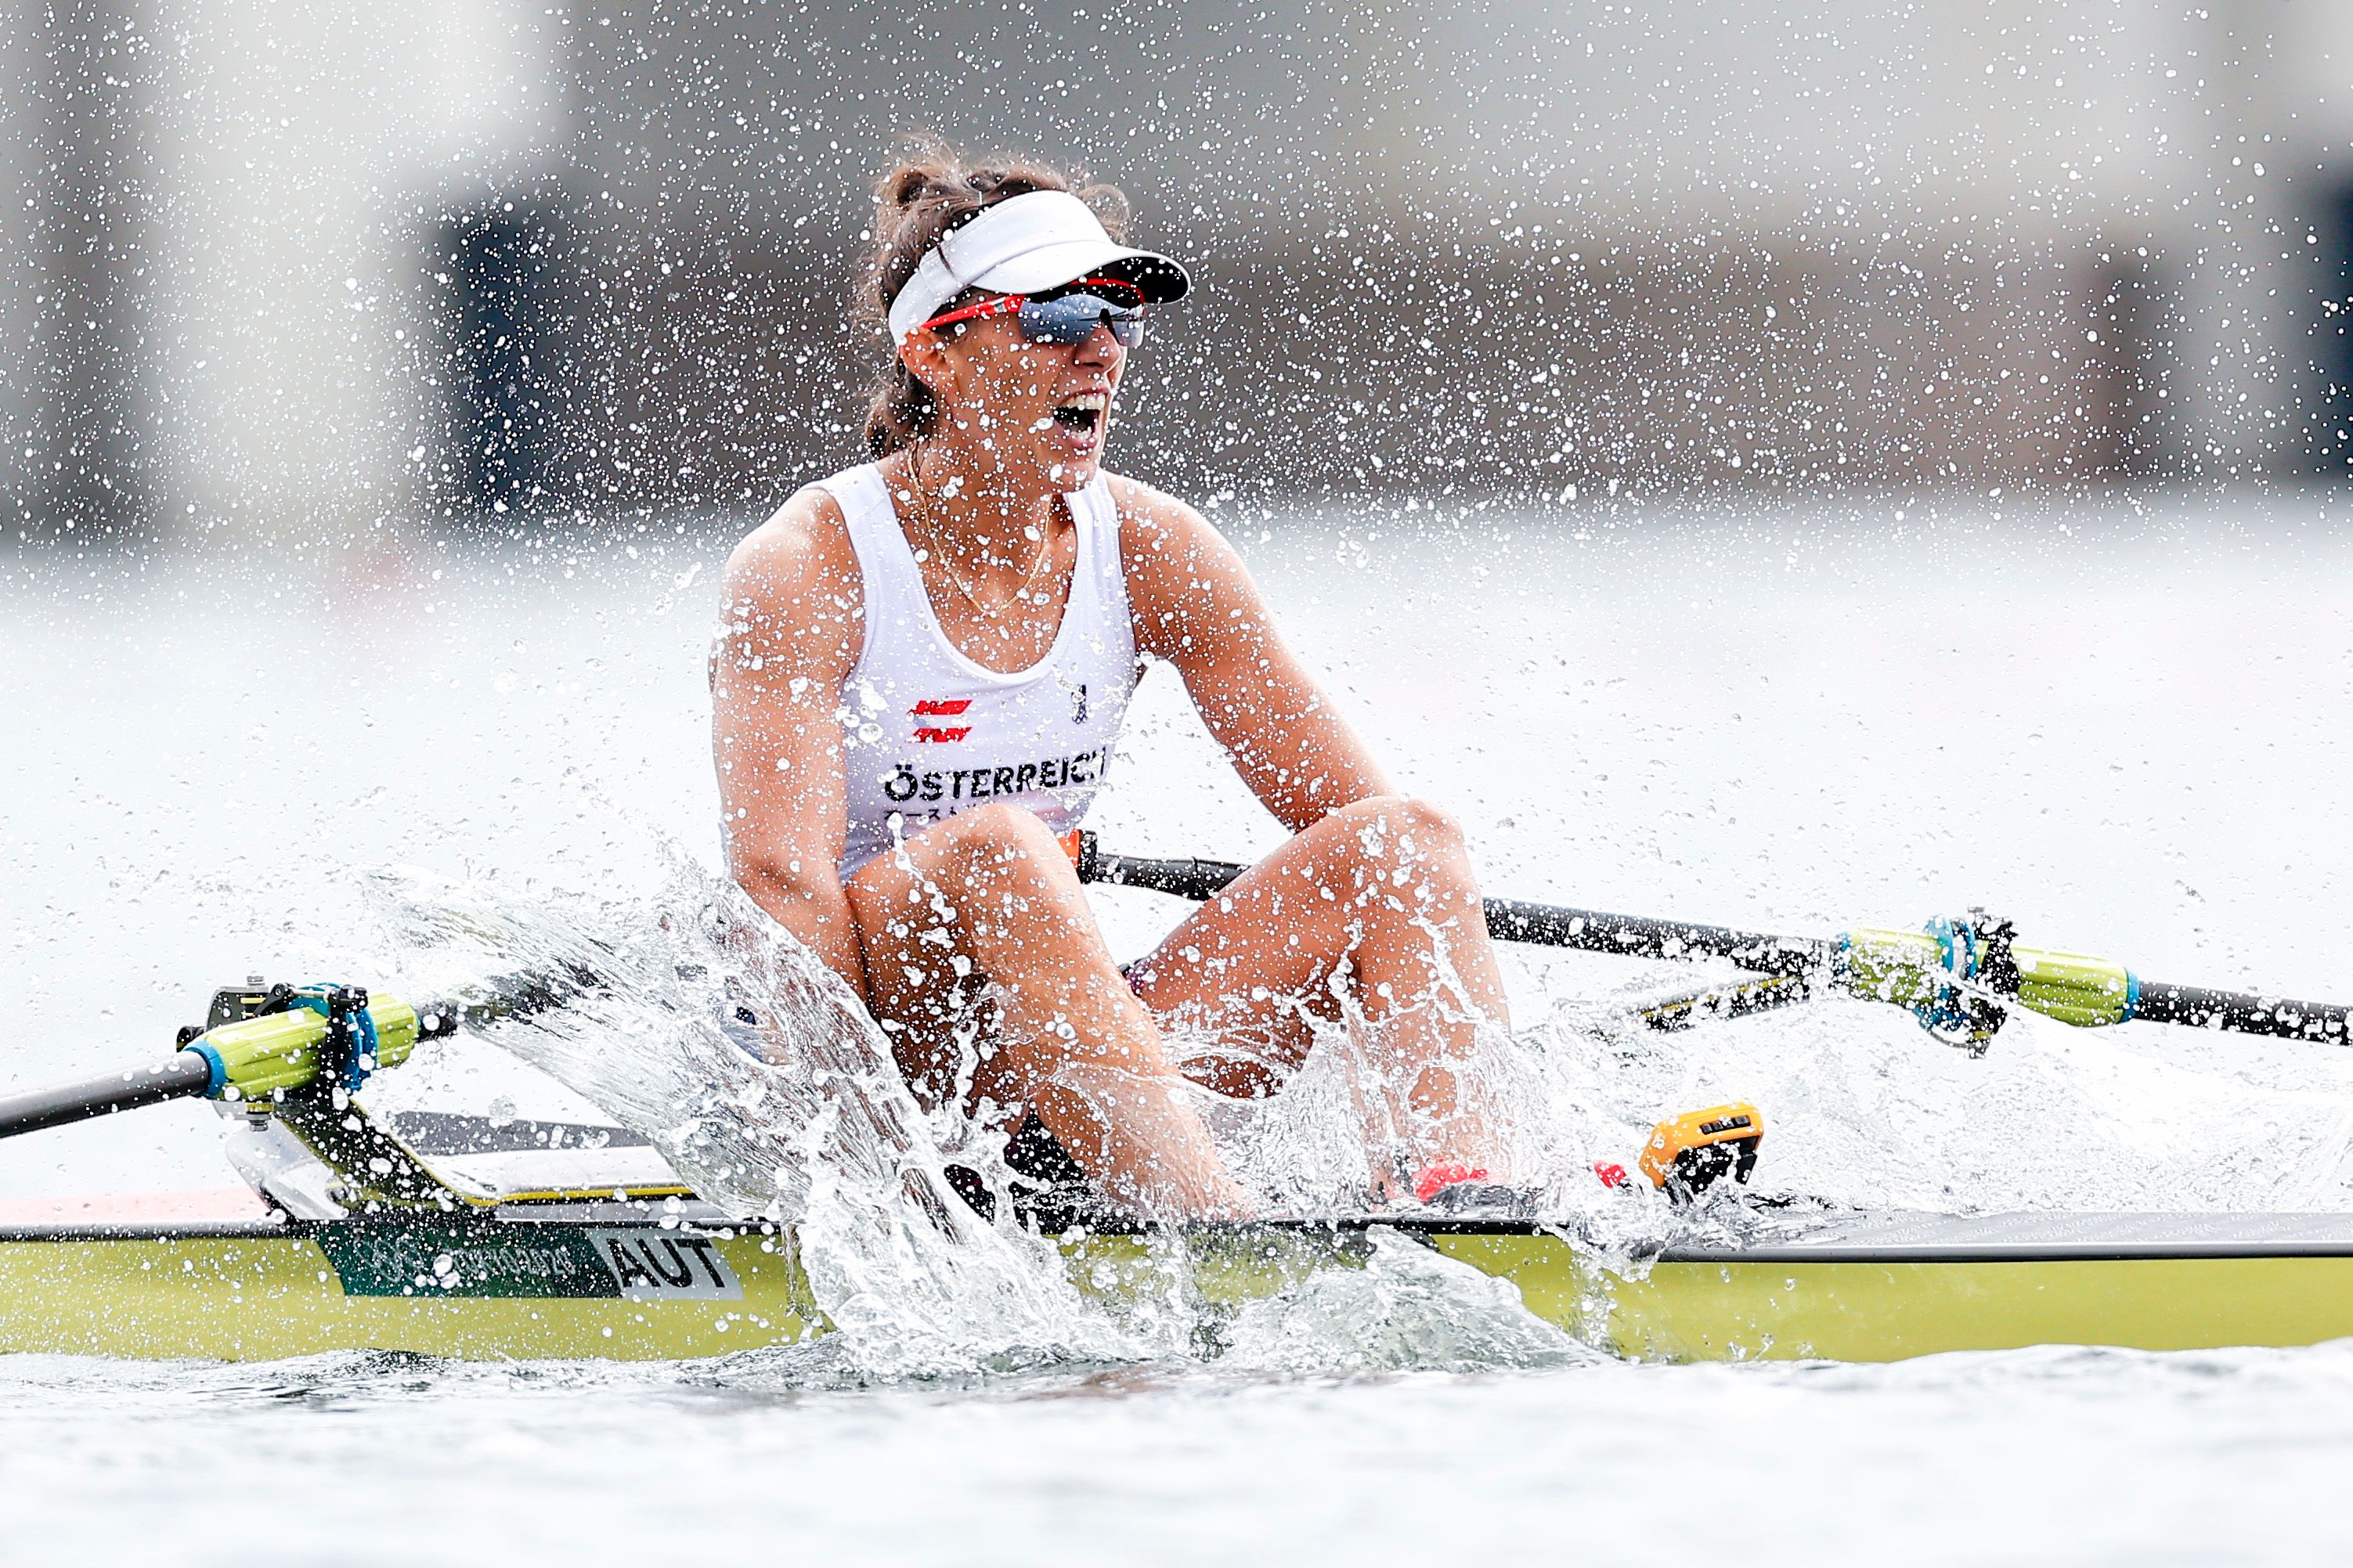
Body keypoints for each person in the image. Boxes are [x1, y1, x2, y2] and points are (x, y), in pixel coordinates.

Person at [711, 146, 1517, 1220]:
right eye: (1051, 317)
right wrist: (870, 1180)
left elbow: (1360, 836)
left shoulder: (1151, 547)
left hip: (1064, 1038)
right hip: (885, 1055)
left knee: (1404, 843)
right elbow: (781, 890)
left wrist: (1423, 1015)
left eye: (1119, 314)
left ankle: (1472, 1194)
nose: (1097, 347)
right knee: (1001, 851)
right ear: (935, 354)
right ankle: (1223, 1237)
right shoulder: (808, 565)